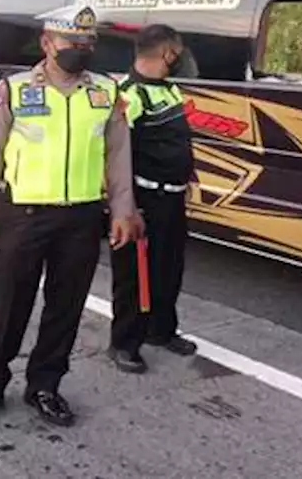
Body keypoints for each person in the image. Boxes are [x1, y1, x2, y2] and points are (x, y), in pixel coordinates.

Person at [0, 4, 144, 429]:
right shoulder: (14, 89)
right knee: (8, 306)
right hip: (22, 214)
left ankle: (45, 385)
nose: (80, 49)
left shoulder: (105, 93)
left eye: (88, 43)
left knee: (66, 307)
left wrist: (123, 209)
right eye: (71, 42)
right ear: (47, 43)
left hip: (80, 217)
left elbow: (118, 157)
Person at [107, 24, 197, 373]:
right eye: (178, 52)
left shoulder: (169, 90)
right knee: (133, 274)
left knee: (169, 267)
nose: (181, 59)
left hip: (173, 198)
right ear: (166, 54)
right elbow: (117, 154)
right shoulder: (130, 95)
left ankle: (162, 330)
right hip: (144, 199)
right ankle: (124, 342)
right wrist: (127, 206)